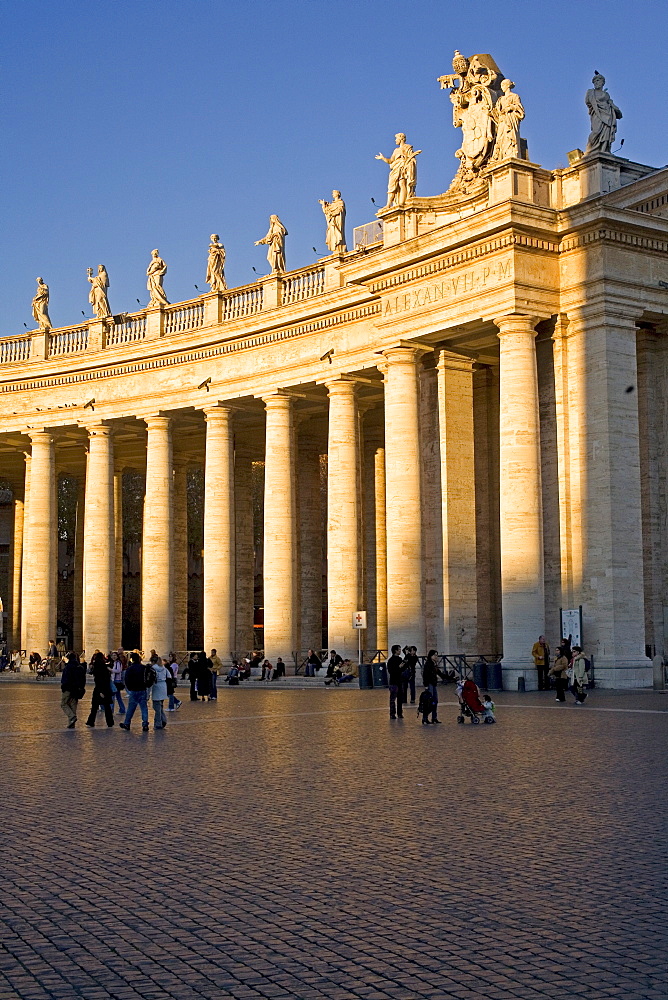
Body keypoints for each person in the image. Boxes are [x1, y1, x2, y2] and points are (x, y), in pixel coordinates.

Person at [375, 133, 422, 209]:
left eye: (396, 138)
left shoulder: (407, 147)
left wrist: (408, 165)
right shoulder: (396, 150)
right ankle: (388, 204)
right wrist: (382, 158)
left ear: (401, 138)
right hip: (396, 168)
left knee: (402, 183)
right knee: (392, 186)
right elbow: (391, 161)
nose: (395, 140)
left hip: (403, 167)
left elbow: (411, 158)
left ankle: (402, 202)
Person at [585, 72, 622, 155]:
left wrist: (617, 110)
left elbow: (611, 103)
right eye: (595, 81)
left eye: (598, 80)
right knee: (596, 131)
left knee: (606, 132)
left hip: (608, 114)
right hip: (597, 113)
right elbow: (587, 102)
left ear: (602, 82)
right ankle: (590, 149)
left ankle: (604, 149)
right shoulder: (590, 92)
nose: (596, 83)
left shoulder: (606, 94)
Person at [119, 652, 151, 731]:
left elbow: (126, 679)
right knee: (144, 708)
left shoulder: (130, 668)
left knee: (131, 708)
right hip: (143, 689)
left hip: (134, 690)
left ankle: (127, 723)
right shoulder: (143, 668)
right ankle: (145, 724)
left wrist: (129, 688)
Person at [85, 651, 114, 728]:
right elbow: (106, 679)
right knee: (107, 706)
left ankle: (91, 721)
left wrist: (101, 691)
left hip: (99, 689)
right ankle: (110, 722)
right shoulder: (104, 667)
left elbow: (98, 680)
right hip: (105, 689)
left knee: (94, 707)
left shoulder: (97, 668)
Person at [60, 652, 86, 729]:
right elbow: (83, 679)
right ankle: (71, 723)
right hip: (77, 689)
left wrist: (63, 687)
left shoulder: (68, 667)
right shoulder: (80, 667)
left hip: (68, 688)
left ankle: (72, 717)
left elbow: (65, 679)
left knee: (63, 704)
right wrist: (81, 688)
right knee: (73, 705)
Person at [422, 649, 446, 724]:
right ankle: (425, 718)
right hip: (429, 684)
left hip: (433, 684)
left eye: (437, 655)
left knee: (435, 701)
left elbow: (440, 673)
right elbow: (425, 675)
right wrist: (426, 685)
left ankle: (434, 717)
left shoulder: (434, 664)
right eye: (435, 655)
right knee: (429, 702)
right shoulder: (428, 664)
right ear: (431, 656)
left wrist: (451, 678)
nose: (436, 657)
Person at [149, 654, 169, 730]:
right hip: (163, 686)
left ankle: (159, 723)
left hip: (156, 686)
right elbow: (169, 676)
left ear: (153, 662)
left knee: (156, 707)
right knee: (160, 706)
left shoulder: (153, 668)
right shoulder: (163, 668)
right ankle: (162, 720)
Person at [386, 645, 405, 720]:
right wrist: (399, 667)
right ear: (395, 651)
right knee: (393, 699)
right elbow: (391, 671)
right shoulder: (391, 660)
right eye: (399, 650)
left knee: (400, 699)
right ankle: (392, 714)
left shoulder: (400, 659)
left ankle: (400, 713)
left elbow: (402, 669)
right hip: (393, 682)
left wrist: (403, 666)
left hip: (400, 681)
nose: (400, 651)